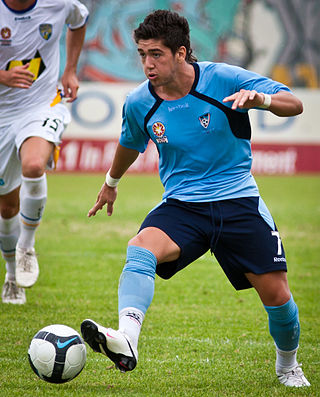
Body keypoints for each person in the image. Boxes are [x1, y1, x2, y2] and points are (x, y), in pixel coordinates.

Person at [81, 10, 310, 388]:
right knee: (140, 248)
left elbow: (293, 102)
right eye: (142, 54)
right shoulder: (140, 101)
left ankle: (288, 366)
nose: (147, 64)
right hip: (183, 205)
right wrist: (111, 181)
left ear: (181, 52)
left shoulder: (223, 78)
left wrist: (261, 100)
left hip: (238, 201)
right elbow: (129, 143)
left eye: (156, 54)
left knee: (278, 297)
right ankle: (127, 340)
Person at [0, 0, 89, 304]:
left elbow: (79, 20)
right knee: (7, 208)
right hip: (2, 114)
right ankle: (12, 276)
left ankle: (26, 246)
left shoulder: (59, 2)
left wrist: (71, 70)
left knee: (35, 165)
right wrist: (2, 76)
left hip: (41, 104)